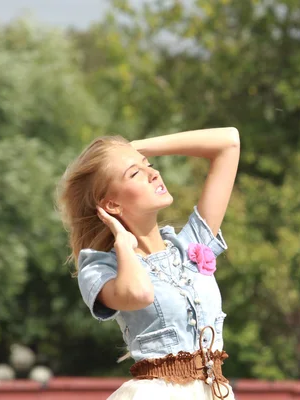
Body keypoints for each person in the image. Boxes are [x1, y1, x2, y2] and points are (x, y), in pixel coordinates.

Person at [58, 127, 240, 399]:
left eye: (149, 166)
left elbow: (229, 142)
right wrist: (122, 242)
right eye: (135, 174)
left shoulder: (189, 245)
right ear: (112, 205)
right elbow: (140, 294)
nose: (154, 173)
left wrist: (137, 148)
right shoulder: (100, 268)